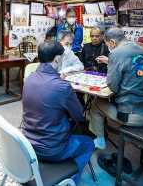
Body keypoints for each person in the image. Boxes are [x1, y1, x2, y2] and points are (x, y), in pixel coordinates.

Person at [22, 41, 94, 184]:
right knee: (88, 143)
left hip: (27, 144)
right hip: (52, 148)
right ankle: (70, 180)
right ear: (56, 59)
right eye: (61, 57)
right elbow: (79, 116)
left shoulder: (29, 79)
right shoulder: (62, 87)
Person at [89, 27, 143, 149]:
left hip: (133, 115)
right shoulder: (142, 50)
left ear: (112, 42)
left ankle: (100, 140)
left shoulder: (116, 53)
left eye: (107, 43)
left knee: (96, 103)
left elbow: (112, 87)